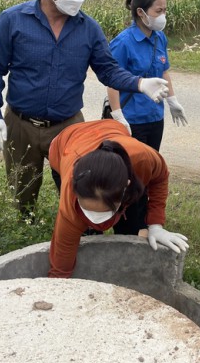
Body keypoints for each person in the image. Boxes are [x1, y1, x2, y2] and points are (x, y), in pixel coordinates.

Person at [0, 0, 169, 217]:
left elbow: (108, 71)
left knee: (78, 189)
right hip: (20, 124)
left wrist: (139, 84)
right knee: (22, 191)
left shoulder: (88, 28)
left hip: (69, 126)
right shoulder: (13, 20)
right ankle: (25, 232)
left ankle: (76, 237)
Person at [47, 119, 189, 278]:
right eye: (89, 212)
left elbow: (160, 177)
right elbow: (61, 260)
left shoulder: (142, 159)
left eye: (104, 213)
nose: (98, 223)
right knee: (84, 234)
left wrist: (156, 225)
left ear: (126, 188)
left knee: (132, 226)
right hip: (66, 143)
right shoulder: (71, 194)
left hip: (113, 130)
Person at [106, 0, 188, 151]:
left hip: (155, 116)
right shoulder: (123, 43)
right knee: (133, 170)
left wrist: (172, 101)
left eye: (165, 10)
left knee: (151, 165)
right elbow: (112, 81)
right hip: (131, 119)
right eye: (158, 11)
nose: (163, 16)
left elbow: (164, 71)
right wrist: (117, 115)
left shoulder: (160, 38)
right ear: (140, 12)